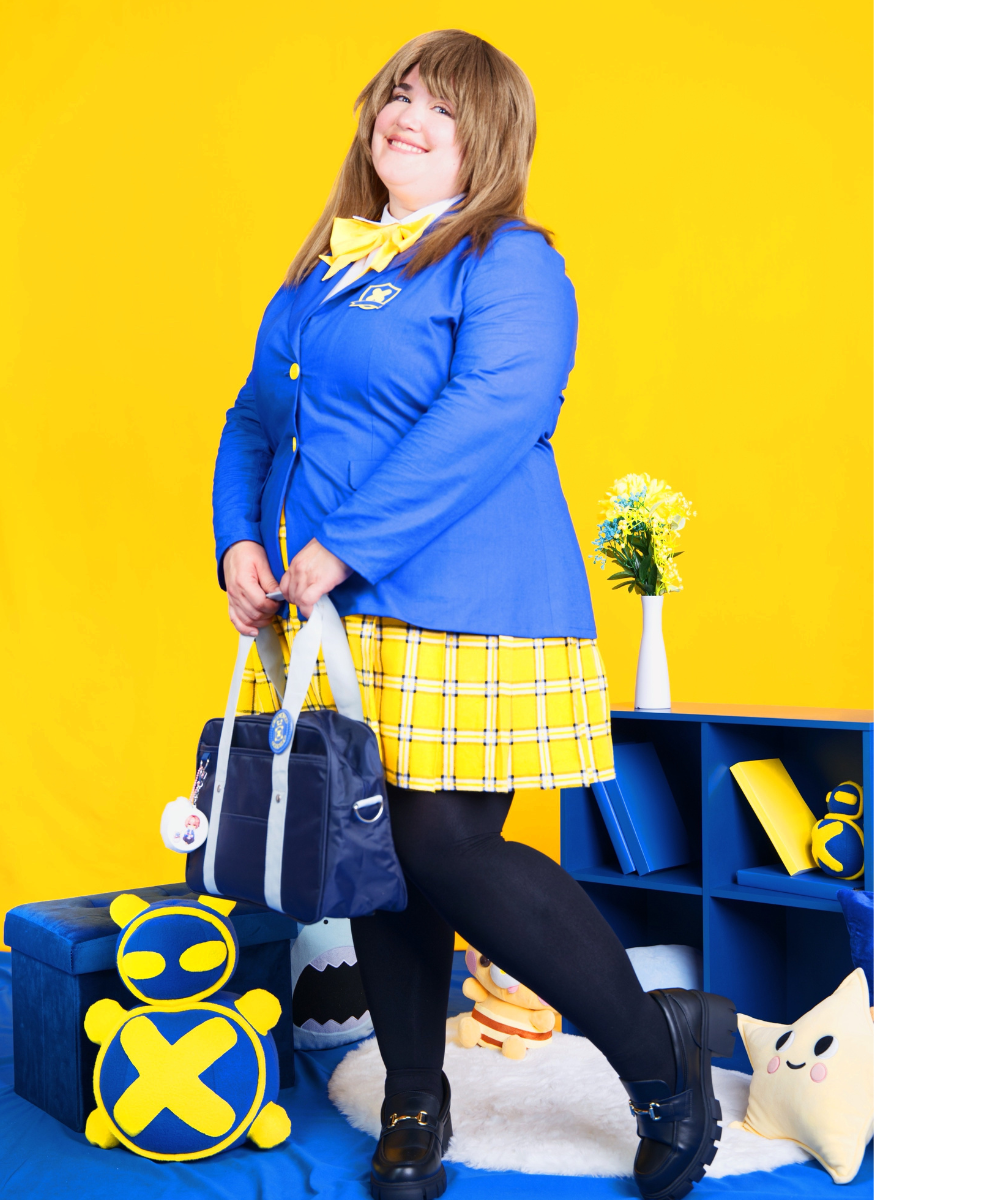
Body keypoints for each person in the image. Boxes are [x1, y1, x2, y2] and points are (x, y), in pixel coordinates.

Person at [212, 29, 734, 1200]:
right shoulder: (320, 271)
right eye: (399, 94)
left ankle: (661, 1071)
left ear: (483, 141)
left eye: (440, 107)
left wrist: (342, 545)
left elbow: (493, 414)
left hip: (466, 605)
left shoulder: (511, 262)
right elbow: (254, 419)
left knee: (444, 847)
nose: (409, 115)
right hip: (333, 612)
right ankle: (413, 1100)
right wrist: (240, 539)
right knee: (378, 862)